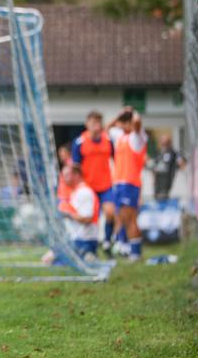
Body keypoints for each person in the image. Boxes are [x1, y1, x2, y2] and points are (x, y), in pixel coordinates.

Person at [71, 110, 115, 258]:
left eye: (98, 122)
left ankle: (107, 242)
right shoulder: (80, 142)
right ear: (87, 124)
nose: (96, 125)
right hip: (88, 187)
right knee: (89, 219)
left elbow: (116, 159)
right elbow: (76, 166)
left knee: (110, 212)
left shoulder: (108, 140)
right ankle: (89, 247)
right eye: (93, 122)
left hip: (105, 185)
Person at [108, 107, 148, 261]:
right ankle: (127, 247)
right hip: (119, 183)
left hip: (129, 183)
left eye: (127, 122)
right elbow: (108, 128)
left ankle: (135, 253)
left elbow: (137, 122)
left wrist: (134, 111)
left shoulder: (137, 137)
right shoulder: (121, 137)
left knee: (130, 218)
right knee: (121, 218)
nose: (123, 125)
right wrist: (120, 114)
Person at [58, 165, 100, 260]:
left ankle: (87, 254)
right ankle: (86, 255)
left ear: (77, 175)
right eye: (63, 175)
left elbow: (87, 219)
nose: (64, 178)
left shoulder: (84, 192)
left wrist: (67, 214)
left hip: (84, 240)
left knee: (50, 259)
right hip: (78, 239)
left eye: (67, 175)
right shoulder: (75, 192)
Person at [151, 134, 186, 202]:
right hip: (158, 185)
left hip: (168, 184)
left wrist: (181, 163)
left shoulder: (173, 153)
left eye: (166, 143)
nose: (164, 144)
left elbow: (181, 162)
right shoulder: (158, 154)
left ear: (169, 143)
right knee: (158, 200)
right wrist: (154, 179)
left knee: (165, 200)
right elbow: (154, 168)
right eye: (162, 142)